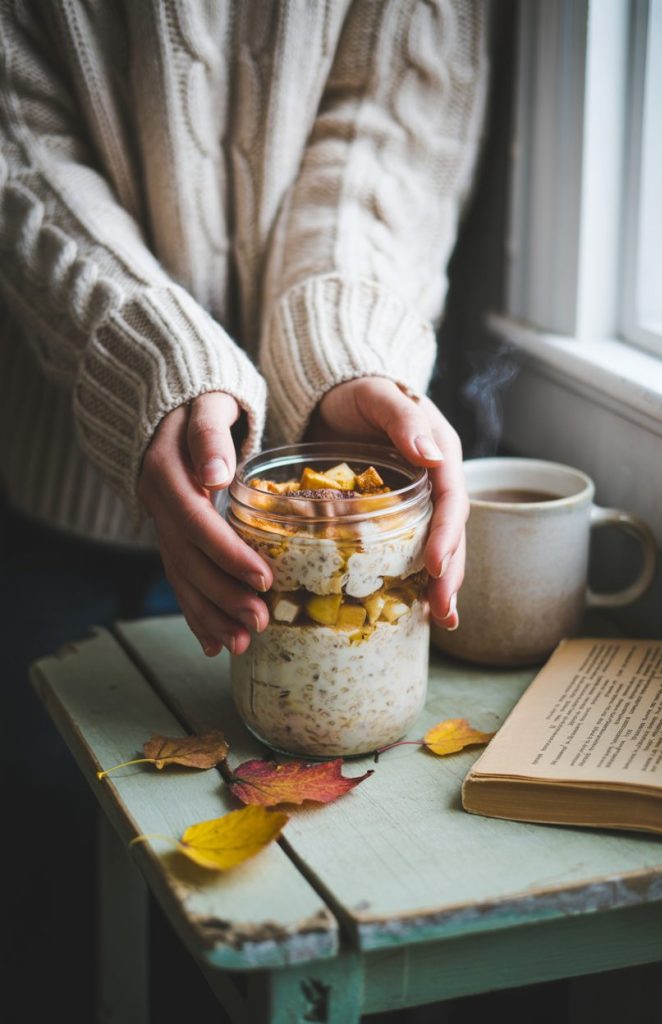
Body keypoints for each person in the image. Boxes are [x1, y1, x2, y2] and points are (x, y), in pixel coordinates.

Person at [0, 1, 488, 1019]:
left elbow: (388, 124)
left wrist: (346, 352)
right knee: (50, 886)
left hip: (323, 430)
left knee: (300, 910)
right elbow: (17, 141)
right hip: (61, 497)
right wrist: (147, 357)